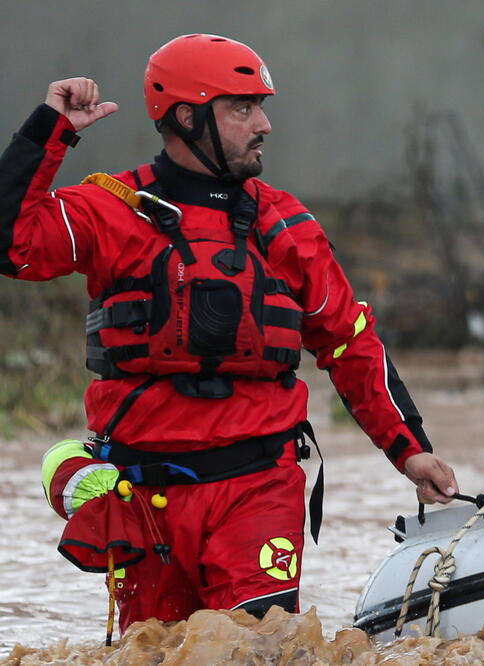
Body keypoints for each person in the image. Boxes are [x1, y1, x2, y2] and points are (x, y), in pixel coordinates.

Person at [2, 34, 458, 630]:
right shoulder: (110, 208)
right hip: (143, 495)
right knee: (157, 650)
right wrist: (50, 129)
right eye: (242, 108)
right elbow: (11, 244)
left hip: (258, 488)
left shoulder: (287, 224)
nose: (263, 124)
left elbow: (350, 344)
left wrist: (410, 449)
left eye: (259, 107)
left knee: (257, 648)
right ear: (186, 118)